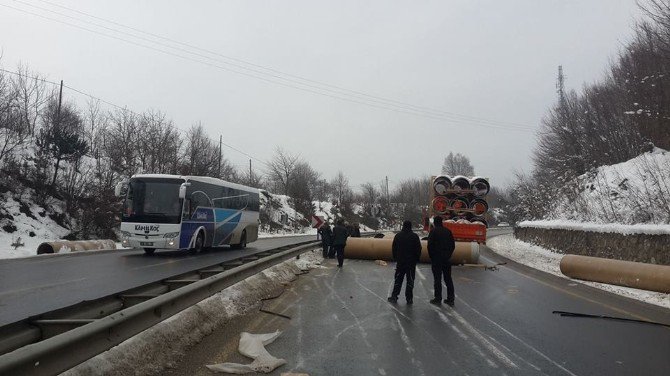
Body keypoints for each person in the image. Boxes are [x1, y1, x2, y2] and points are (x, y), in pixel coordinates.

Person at [388, 220, 422, 304]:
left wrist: (396, 258)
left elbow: (394, 248)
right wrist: (416, 259)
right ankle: (409, 298)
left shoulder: (398, 236)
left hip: (401, 262)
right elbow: (418, 248)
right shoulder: (414, 236)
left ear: (403, 226)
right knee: (410, 280)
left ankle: (394, 296)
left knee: (398, 279)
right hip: (411, 262)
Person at [427, 216, 456, 306]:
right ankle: (450, 299)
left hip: (436, 259)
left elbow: (430, 246)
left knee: (437, 279)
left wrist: (432, 257)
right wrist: (448, 255)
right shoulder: (448, 231)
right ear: (442, 222)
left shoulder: (433, 232)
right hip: (446, 259)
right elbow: (452, 245)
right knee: (448, 279)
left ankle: (438, 298)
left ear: (435, 223)